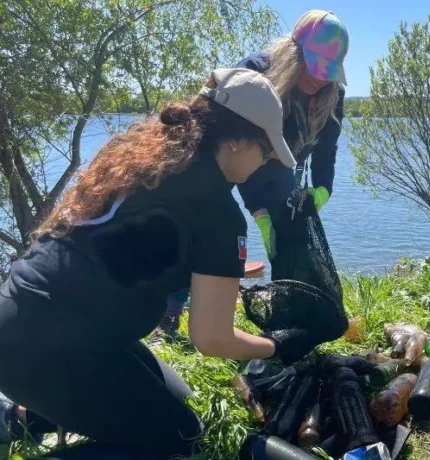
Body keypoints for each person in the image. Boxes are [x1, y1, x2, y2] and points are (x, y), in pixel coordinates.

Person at [0, 69, 314, 458]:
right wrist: (276, 345)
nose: (263, 164)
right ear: (236, 141)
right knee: (178, 441)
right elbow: (211, 338)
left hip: (30, 319)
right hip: (47, 346)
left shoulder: (141, 160)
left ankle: (15, 417)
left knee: (179, 399)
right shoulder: (218, 214)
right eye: (265, 152)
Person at [154, 9, 349, 340]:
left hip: (280, 165)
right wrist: (257, 209)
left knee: (287, 235)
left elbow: (327, 148)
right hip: (228, 156)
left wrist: (323, 189)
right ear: (294, 53)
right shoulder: (256, 72)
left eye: (327, 73)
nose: (319, 80)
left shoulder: (333, 94)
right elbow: (236, 152)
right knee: (200, 222)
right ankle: (170, 312)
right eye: (312, 67)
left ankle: (289, 313)